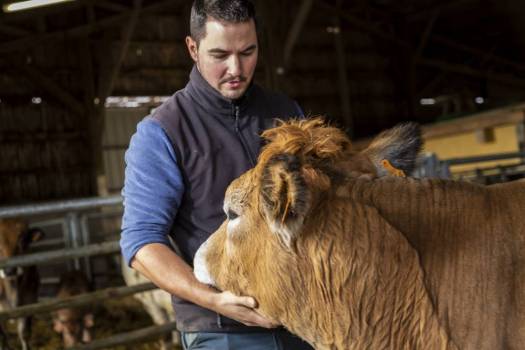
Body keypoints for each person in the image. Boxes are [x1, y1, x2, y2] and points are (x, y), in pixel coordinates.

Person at [120, 1, 313, 349]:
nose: (236, 68)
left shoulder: (286, 113)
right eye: (220, 54)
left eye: (248, 51)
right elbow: (142, 243)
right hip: (223, 330)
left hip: (303, 320)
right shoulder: (163, 132)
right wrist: (213, 300)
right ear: (193, 48)